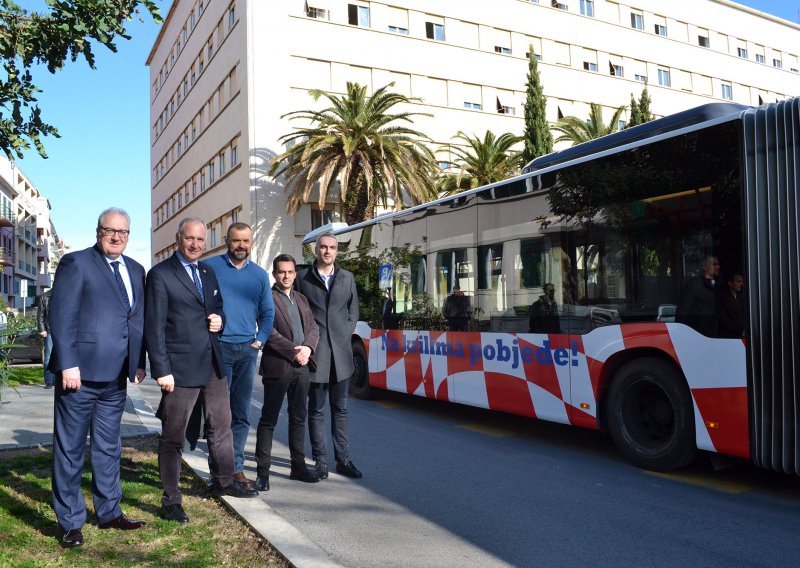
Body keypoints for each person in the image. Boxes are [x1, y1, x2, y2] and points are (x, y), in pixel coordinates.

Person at [144, 217, 258, 525]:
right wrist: (161, 370)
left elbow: (217, 308)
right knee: (173, 437)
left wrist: (219, 320)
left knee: (221, 425)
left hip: (213, 364)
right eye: (189, 238)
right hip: (179, 369)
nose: (195, 244)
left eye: (200, 240)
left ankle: (223, 481)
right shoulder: (160, 275)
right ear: (178, 238)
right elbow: (153, 328)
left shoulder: (207, 272)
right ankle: (171, 501)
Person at [48, 208, 147, 548]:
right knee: (70, 450)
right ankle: (71, 522)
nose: (117, 236)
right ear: (98, 231)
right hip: (79, 376)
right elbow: (60, 316)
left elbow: (136, 320)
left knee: (108, 448)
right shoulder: (77, 263)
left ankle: (109, 512)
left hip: (116, 378)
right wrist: (67, 363)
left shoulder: (135, 269)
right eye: (110, 230)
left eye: (123, 232)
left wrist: (138, 360)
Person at [204, 223, 274, 488]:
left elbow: (267, 313)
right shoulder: (210, 267)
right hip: (218, 350)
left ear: (251, 242)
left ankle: (235, 469)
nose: (241, 246)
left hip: (246, 350)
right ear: (226, 241)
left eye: (245, 241)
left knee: (241, 413)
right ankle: (218, 471)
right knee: (219, 415)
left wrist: (259, 341)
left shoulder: (259, 275)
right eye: (236, 241)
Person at [296, 232, 362, 480]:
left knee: (341, 409)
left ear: (337, 251)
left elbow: (353, 311)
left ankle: (343, 460)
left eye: (332, 247)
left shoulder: (347, 278)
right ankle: (321, 461)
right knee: (316, 410)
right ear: (316, 250)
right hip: (316, 354)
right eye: (323, 247)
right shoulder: (303, 278)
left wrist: (344, 333)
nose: (327, 251)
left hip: (342, 356)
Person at [254, 254, 320, 491]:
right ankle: (263, 473)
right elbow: (268, 332)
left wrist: (307, 348)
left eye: (290, 272)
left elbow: (313, 327)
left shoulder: (301, 298)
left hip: (302, 367)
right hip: (278, 367)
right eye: (282, 271)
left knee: (298, 418)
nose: (286, 276)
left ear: (295, 273)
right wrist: (294, 351)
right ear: (274, 274)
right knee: (269, 420)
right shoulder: (267, 298)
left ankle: (298, 466)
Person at [676, 255, 721, 337]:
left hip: (715, 336)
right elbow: (682, 312)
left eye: (718, 264)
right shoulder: (694, 285)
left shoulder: (719, 286)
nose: (718, 267)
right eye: (714, 264)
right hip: (697, 336)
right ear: (705, 267)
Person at [717, 272, 746, 338]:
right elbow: (724, 320)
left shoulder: (742, 298)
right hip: (729, 337)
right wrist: (740, 330)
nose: (741, 284)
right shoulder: (722, 298)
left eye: (742, 282)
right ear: (730, 283)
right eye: (738, 281)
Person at [37, 288, 54, 389]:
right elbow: (40, 315)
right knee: (48, 357)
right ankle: (48, 381)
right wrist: (42, 329)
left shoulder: (65, 294)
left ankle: (58, 380)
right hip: (49, 331)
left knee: (61, 356)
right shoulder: (44, 296)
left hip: (62, 332)